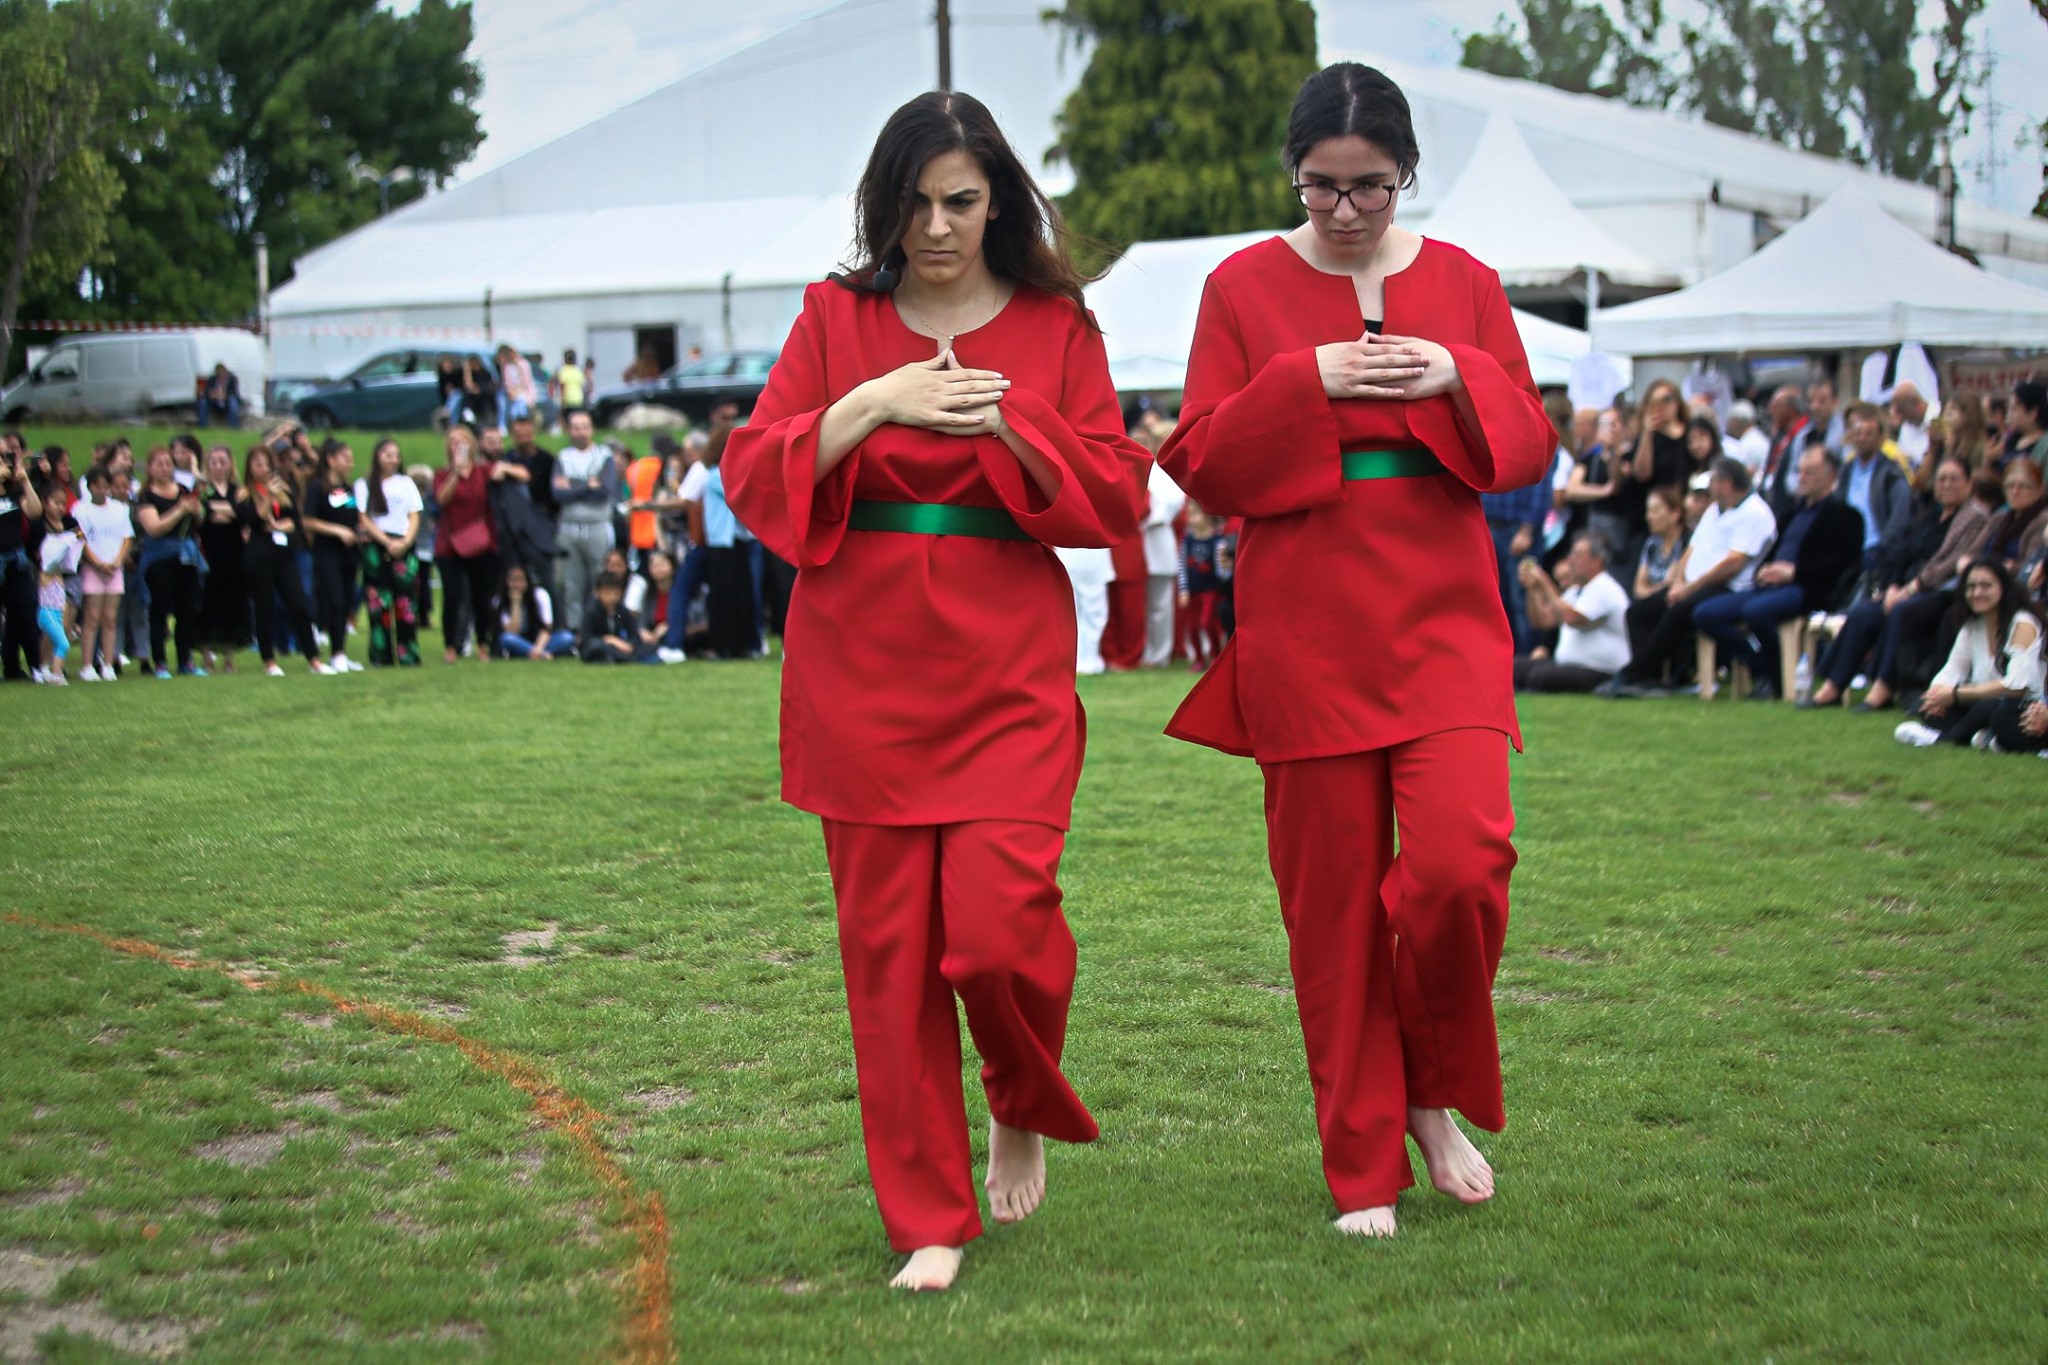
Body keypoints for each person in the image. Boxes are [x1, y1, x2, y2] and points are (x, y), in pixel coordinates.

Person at [722, 90, 1148, 1291]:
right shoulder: (832, 317)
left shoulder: (1059, 323)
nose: (937, 227)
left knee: (1000, 931)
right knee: (890, 956)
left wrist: (1015, 429)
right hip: (857, 662)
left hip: (1004, 662)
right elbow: (753, 467)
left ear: (998, 200)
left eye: (959, 200)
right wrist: (872, 404)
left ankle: (1017, 1098)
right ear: (884, 206)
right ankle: (926, 1218)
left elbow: (1116, 494)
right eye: (913, 203)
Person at [1156, 63, 1556, 1242]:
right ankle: (1359, 1168)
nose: (1342, 212)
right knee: (1327, 912)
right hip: (1306, 627)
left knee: (1459, 869)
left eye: (1368, 190)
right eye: (1321, 188)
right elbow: (1201, 463)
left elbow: (1527, 445)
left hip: (1442, 619)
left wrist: (1456, 372)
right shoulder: (1238, 286)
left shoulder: (1467, 285)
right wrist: (1304, 380)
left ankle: (1428, 1093)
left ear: (1404, 177)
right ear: (1293, 174)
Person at [1806, 454, 1988, 710]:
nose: (1947, 485)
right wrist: (1893, 586)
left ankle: (1884, 687)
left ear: (1969, 484)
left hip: (1941, 592)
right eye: (1942, 479)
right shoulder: (1929, 516)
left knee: (1902, 612)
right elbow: (1902, 553)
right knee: (1862, 613)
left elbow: (1951, 563)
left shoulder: (1974, 518)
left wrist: (1910, 589)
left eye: (1954, 479)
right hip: (1906, 589)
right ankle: (1834, 686)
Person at [1692, 446, 1864, 699]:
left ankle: (1777, 680)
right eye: (1800, 471)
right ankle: (1761, 668)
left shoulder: (1845, 516)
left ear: (1830, 476)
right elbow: (1771, 551)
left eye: (1809, 472)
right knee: (1705, 613)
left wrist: (1794, 573)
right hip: (1770, 586)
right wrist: (1766, 569)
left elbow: (1841, 564)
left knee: (1756, 612)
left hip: (1807, 589)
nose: (1801, 477)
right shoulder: (1792, 513)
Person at [1606, 458, 1776, 696]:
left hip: (1728, 587)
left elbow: (1733, 564)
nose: (1709, 489)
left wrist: (1689, 588)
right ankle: (1651, 676)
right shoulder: (1715, 510)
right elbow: (1691, 550)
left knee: (1680, 609)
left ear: (1726, 484)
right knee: (1639, 613)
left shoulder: (1755, 513)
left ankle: (1636, 674)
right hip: (1693, 584)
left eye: (1713, 482)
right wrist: (1678, 582)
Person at [1894, 557, 2042, 748]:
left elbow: (2017, 686)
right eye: (1971, 587)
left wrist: (1956, 694)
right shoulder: (1972, 625)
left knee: (1991, 708)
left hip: (2017, 707)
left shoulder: (2022, 623)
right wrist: (1937, 694)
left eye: (1985, 586)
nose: (1977, 593)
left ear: (2003, 588)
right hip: (1979, 702)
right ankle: (1982, 737)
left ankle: (1945, 740)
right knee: (1930, 709)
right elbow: (1954, 668)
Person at [237, 446, 327, 677]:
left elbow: (295, 521)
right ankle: (268, 659)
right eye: (258, 464)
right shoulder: (245, 493)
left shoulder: (283, 490)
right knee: (265, 607)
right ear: (249, 467)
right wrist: (267, 496)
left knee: (299, 603)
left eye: (267, 464)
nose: (264, 468)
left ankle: (313, 658)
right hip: (259, 553)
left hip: (283, 552)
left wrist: (279, 525)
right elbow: (254, 519)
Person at [1515, 533, 1630, 691]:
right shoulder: (1576, 590)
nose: (1571, 561)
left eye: (1578, 555)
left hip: (1600, 670)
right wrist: (1532, 588)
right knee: (1515, 667)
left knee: (1541, 676)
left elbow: (1572, 618)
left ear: (1597, 560)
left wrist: (1545, 583)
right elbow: (1542, 621)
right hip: (1571, 667)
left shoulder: (1605, 587)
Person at [135, 446, 207, 678]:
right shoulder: (146, 497)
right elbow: (154, 528)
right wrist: (179, 509)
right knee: (160, 610)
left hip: (186, 557)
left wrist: (196, 511)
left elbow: (198, 521)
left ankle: (185, 660)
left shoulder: (184, 489)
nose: (166, 468)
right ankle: (160, 662)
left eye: (168, 463)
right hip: (160, 558)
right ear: (150, 468)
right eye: (160, 464)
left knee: (186, 611)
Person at [354, 438, 425, 667]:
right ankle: (381, 655)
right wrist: (384, 541)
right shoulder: (365, 484)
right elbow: (363, 516)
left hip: (403, 542)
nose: (393, 460)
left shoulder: (406, 483)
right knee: (379, 603)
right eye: (388, 455)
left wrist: (405, 541)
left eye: (396, 455)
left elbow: (415, 514)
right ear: (377, 457)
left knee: (405, 603)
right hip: (377, 544)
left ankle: (408, 654)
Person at [433, 427, 499, 663]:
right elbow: (441, 499)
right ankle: (451, 646)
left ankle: (483, 644)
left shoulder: (482, 472)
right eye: (453, 442)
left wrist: (506, 469)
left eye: (462, 442)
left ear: (472, 445)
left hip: (480, 543)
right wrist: (456, 474)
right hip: (449, 545)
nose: (457, 446)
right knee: (452, 595)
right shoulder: (442, 474)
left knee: (482, 596)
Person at [696, 422, 759, 660]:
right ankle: (723, 645)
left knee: (742, 595)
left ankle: (743, 644)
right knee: (723, 595)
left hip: (737, 540)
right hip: (721, 544)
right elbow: (738, 492)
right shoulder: (714, 476)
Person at [302, 439, 365, 673]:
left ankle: (340, 652)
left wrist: (358, 531)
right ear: (331, 460)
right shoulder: (317, 487)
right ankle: (330, 653)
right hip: (327, 553)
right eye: (345, 458)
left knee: (346, 602)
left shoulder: (347, 489)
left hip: (348, 555)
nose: (350, 463)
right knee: (335, 600)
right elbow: (307, 521)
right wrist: (337, 530)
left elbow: (352, 516)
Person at [552, 410, 616, 628]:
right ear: (569, 430)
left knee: (601, 581)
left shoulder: (604, 455)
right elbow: (557, 494)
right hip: (569, 527)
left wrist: (572, 485)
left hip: (596, 525)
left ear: (592, 428)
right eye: (576, 427)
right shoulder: (564, 457)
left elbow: (604, 491)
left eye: (584, 426)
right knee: (572, 586)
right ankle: (575, 632)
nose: (580, 432)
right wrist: (587, 485)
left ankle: (601, 628)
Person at [74, 465, 129, 681]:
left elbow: (126, 538)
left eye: (106, 486)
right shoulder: (80, 509)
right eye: (98, 486)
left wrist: (117, 561)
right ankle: (87, 664)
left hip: (115, 569)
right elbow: (81, 539)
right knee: (92, 617)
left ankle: (108, 663)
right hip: (92, 568)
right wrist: (97, 563)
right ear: (90, 487)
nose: (102, 490)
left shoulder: (119, 509)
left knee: (110, 618)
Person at [196, 445, 246, 673]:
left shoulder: (237, 489)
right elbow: (205, 515)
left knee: (231, 603)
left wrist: (224, 511)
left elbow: (243, 513)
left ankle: (228, 657)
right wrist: (227, 511)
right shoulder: (203, 489)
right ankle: (207, 655)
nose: (218, 465)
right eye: (214, 461)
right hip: (210, 552)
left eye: (222, 461)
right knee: (208, 603)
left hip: (234, 554)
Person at [1177, 503, 1234, 671]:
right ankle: (1199, 659)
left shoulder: (1218, 542)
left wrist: (1226, 575)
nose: (1191, 519)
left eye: (1195, 515)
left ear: (1208, 517)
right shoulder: (1187, 541)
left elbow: (1222, 569)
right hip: (1193, 591)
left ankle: (1216, 655)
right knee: (1193, 626)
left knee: (1207, 622)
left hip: (1211, 590)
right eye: (1190, 515)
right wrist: (1183, 589)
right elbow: (1182, 566)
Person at [1139, 460, 1186, 665]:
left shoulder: (1164, 473)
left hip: (1160, 541)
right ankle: (1145, 652)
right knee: (1142, 606)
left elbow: (1175, 502)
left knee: (1161, 604)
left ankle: (1160, 654)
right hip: (1138, 542)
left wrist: (1150, 516)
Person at [494, 562, 575, 658]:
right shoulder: (500, 600)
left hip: (541, 640)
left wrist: (538, 648)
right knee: (506, 638)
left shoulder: (540, 595)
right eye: (513, 580)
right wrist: (516, 603)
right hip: (519, 640)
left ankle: (533, 653)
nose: (517, 584)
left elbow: (546, 628)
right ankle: (542, 655)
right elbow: (512, 631)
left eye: (520, 580)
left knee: (567, 638)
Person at [577, 570, 649, 662]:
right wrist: (608, 639)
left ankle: (618, 657)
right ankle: (624, 658)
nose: (612, 597)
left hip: (619, 646)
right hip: (598, 646)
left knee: (648, 646)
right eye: (607, 593)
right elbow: (586, 638)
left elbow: (634, 634)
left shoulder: (622, 610)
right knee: (597, 646)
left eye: (616, 593)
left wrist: (629, 645)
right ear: (598, 593)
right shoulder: (592, 611)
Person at [495, 345, 538, 430]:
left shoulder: (523, 364)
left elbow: (525, 380)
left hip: (522, 391)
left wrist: (518, 391)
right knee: (505, 406)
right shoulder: (506, 365)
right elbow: (506, 380)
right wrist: (510, 390)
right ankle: (503, 426)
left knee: (520, 409)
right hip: (510, 392)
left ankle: (522, 427)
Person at [198, 364, 241, 429]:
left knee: (233, 402)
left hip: (226, 402)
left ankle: (233, 427)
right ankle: (202, 426)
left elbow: (235, 393)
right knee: (203, 402)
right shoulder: (212, 379)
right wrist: (212, 395)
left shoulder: (232, 379)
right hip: (214, 402)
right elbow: (206, 391)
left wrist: (225, 395)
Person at [551, 349, 586, 414]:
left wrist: (561, 400)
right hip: (578, 399)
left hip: (568, 400)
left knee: (566, 420)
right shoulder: (578, 370)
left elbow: (563, 387)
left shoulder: (563, 370)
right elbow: (582, 386)